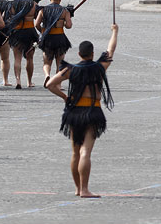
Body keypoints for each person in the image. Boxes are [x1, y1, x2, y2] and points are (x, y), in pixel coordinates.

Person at [46, 24, 118, 199]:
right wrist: (115, 31)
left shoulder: (71, 69)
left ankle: (78, 189)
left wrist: (65, 97)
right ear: (92, 53)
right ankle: (85, 189)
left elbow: (50, 84)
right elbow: (110, 49)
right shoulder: (99, 67)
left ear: (79, 54)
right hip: (92, 111)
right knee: (86, 152)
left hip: (74, 113)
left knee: (75, 152)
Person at [35, 0, 73, 88]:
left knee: (47, 62)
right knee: (59, 62)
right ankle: (57, 84)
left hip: (48, 38)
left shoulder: (43, 10)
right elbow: (69, 26)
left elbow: (37, 24)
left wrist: (42, 32)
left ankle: (47, 75)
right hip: (60, 37)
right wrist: (63, 23)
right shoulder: (65, 11)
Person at [7, 0, 40, 89]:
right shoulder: (33, 4)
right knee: (30, 58)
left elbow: (9, 18)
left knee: (17, 58)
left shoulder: (12, 4)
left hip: (17, 32)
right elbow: (37, 17)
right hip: (30, 32)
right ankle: (29, 82)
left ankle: (18, 81)